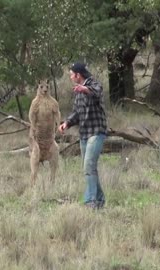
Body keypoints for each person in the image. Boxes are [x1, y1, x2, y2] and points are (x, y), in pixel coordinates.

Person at [58, 62, 107, 209]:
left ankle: (90, 201)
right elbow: (77, 112)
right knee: (88, 168)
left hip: (96, 131)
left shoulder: (93, 84)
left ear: (78, 75)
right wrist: (66, 123)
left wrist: (85, 89)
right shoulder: (77, 91)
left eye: (72, 74)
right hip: (84, 133)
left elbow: (96, 92)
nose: (71, 77)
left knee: (89, 166)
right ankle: (99, 199)